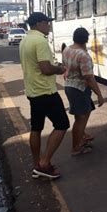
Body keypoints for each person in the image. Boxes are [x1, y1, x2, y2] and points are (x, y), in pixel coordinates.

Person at [19, 12, 69, 179]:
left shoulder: (25, 40)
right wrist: (60, 69)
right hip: (45, 92)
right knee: (62, 124)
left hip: (32, 91)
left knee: (36, 128)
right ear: (39, 23)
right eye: (47, 23)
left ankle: (37, 164)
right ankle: (45, 163)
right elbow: (46, 69)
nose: (49, 25)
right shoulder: (40, 40)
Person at [63, 27, 104, 156]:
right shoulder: (83, 55)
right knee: (81, 119)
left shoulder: (67, 49)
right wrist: (99, 94)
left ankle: (80, 139)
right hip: (79, 89)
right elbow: (89, 78)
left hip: (69, 86)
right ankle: (76, 148)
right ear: (86, 39)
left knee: (79, 117)